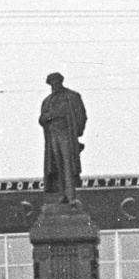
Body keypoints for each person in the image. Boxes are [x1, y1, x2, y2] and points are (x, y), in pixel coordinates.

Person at [40, 72, 88, 200]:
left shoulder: (72, 96)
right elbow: (42, 119)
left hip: (67, 133)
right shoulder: (48, 101)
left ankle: (71, 195)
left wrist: (77, 131)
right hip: (52, 136)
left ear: (60, 81)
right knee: (57, 165)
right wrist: (47, 117)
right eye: (51, 82)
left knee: (68, 164)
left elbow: (81, 115)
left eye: (56, 81)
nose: (54, 85)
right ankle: (62, 194)